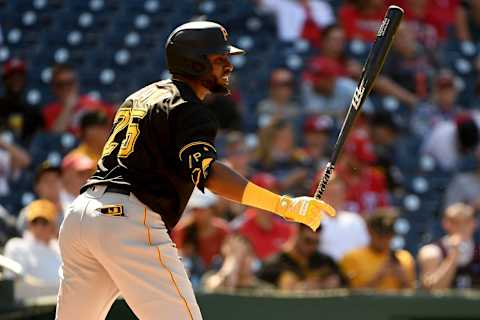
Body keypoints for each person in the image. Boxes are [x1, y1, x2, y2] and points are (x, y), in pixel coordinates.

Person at [55, 21, 335, 320]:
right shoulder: (189, 107)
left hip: (80, 217)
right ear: (193, 62)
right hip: (126, 219)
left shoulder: (141, 95)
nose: (228, 66)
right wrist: (283, 205)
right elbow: (209, 174)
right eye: (219, 59)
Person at [340, 208, 416, 291]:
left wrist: (403, 280)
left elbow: (412, 294)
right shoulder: (352, 257)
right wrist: (378, 277)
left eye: (388, 235)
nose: (384, 240)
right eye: (380, 235)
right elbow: (351, 295)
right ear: (369, 231)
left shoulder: (404, 258)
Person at [257, 224, 343, 290]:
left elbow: (344, 283)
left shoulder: (325, 262)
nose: (312, 246)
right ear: (297, 234)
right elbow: (258, 288)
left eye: (316, 242)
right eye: (308, 241)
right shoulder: (274, 264)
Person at [172, 188, 230, 285]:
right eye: (195, 210)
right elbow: (179, 258)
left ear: (212, 210)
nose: (198, 214)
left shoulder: (223, 231)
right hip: (191, 279)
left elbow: (228, 258)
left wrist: (222, 275)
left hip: (216, 278)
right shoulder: (182, 230)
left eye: (202, 210)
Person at [418, 203, 480, 290]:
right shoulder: (431, 252)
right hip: (442, 304)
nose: (461, 226)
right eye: (455, 222)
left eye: (467, 221)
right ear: (445, 223)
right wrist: (453, 256)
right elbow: (433, 289)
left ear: (474, 223)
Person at [236, 173, 295, 261]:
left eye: (273, 193)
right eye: (265, 194)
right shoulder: (240, 229)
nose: (271, 198)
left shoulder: (287, 228)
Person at [42, 63, 115, 134]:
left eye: (70, 83)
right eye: (60, 85)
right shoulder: (48, 111)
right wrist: (68, 108)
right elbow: (54, 137)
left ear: (76, 83)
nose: (66, 88)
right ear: (54, 87)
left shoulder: (92, 103)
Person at [3, 199, 61, 285]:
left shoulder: (60, 248)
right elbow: (13, 283)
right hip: (30, 297)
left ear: (54, 225)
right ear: (29, 224)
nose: (39, 226)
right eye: (35, 222)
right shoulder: (16, 246)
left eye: (44, 222)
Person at [315, 175, 369, 262]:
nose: (333, 198)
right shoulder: (311, 219)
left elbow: (364, 248)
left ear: (344, 195)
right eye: (330, 193)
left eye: (336, 193)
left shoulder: (356, 221)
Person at [202, 235, 269, 291]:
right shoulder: (212, 279)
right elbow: (212, 290)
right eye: (233, 253)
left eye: (245, 253)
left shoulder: (264, 291)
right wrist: (232, 262)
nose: (240, 259)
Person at [0, 58, 42, 145]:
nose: (16, 80)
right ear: (5, 80)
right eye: (12, 76)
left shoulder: (33, 111)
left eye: (19, 76)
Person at [254, 0, 335, 44]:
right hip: (291, 44)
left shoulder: (321, 4)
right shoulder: (282, 3)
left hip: (320, 45)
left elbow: (330, 29)